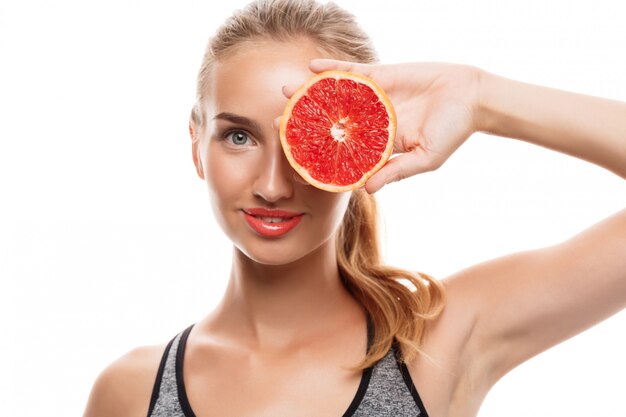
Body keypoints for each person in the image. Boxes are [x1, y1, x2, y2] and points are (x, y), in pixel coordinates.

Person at [82, 0, 626, 416]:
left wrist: (480, 97)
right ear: (197, 144)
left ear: (360, 148)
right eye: (239, 138)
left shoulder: (441, 342)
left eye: (306, 137)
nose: (273, 185)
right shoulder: (130, 391)